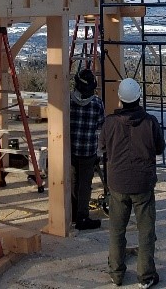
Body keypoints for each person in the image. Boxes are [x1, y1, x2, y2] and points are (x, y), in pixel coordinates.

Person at [101, 77, 165, 288]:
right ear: (139, 97)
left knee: (117, 229)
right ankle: (145, 276)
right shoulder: (150, 122)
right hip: (143, 184)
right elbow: (159, 147)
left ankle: (116, 273)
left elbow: (102, 147)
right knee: (146, 230)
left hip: (118, 182)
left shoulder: (109, 122)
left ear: (120, 99)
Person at [69, 68, 105, 231]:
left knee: (73, 181)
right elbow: (100, 125)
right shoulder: (96, 103)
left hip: (70, 149)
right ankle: (82, 217)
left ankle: (72, 212)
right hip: (88, 150)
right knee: (85, 184)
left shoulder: (68, 100)